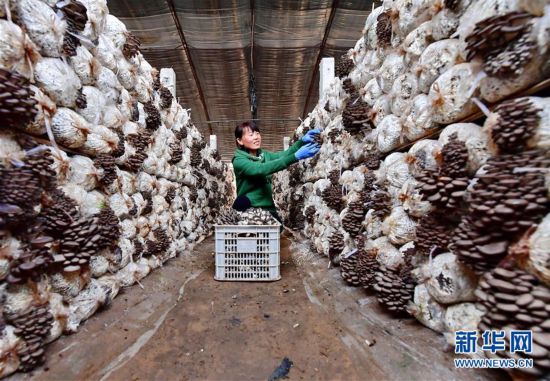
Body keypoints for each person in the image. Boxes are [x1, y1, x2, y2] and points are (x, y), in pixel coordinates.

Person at [231, 121, 320, 224]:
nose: (256, 137)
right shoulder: (238, 160)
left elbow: (283, 155)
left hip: (268, 206)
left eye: (257, 133)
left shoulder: (264, 155)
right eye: (251, 135)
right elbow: (260, 169)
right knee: (252, 232)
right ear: (240, 140)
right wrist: (295, 157)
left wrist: (301, 142)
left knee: (277, 229)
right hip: (249, 206)